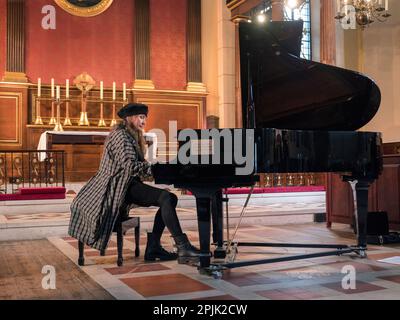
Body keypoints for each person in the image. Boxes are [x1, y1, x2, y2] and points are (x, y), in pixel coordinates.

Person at [68, 103, 200, 264]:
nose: (144, 121)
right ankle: (181, 247)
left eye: (145, 118)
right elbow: (130, 166)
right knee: (166, 198)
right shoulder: (120, 136)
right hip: (116, 188)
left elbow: (138, 167)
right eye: (141, 117)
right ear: (129, 118)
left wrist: (159, 172)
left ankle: (155, 247)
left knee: (169, 198)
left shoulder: (130, 135)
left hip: (127, 184)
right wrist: (159, 170)